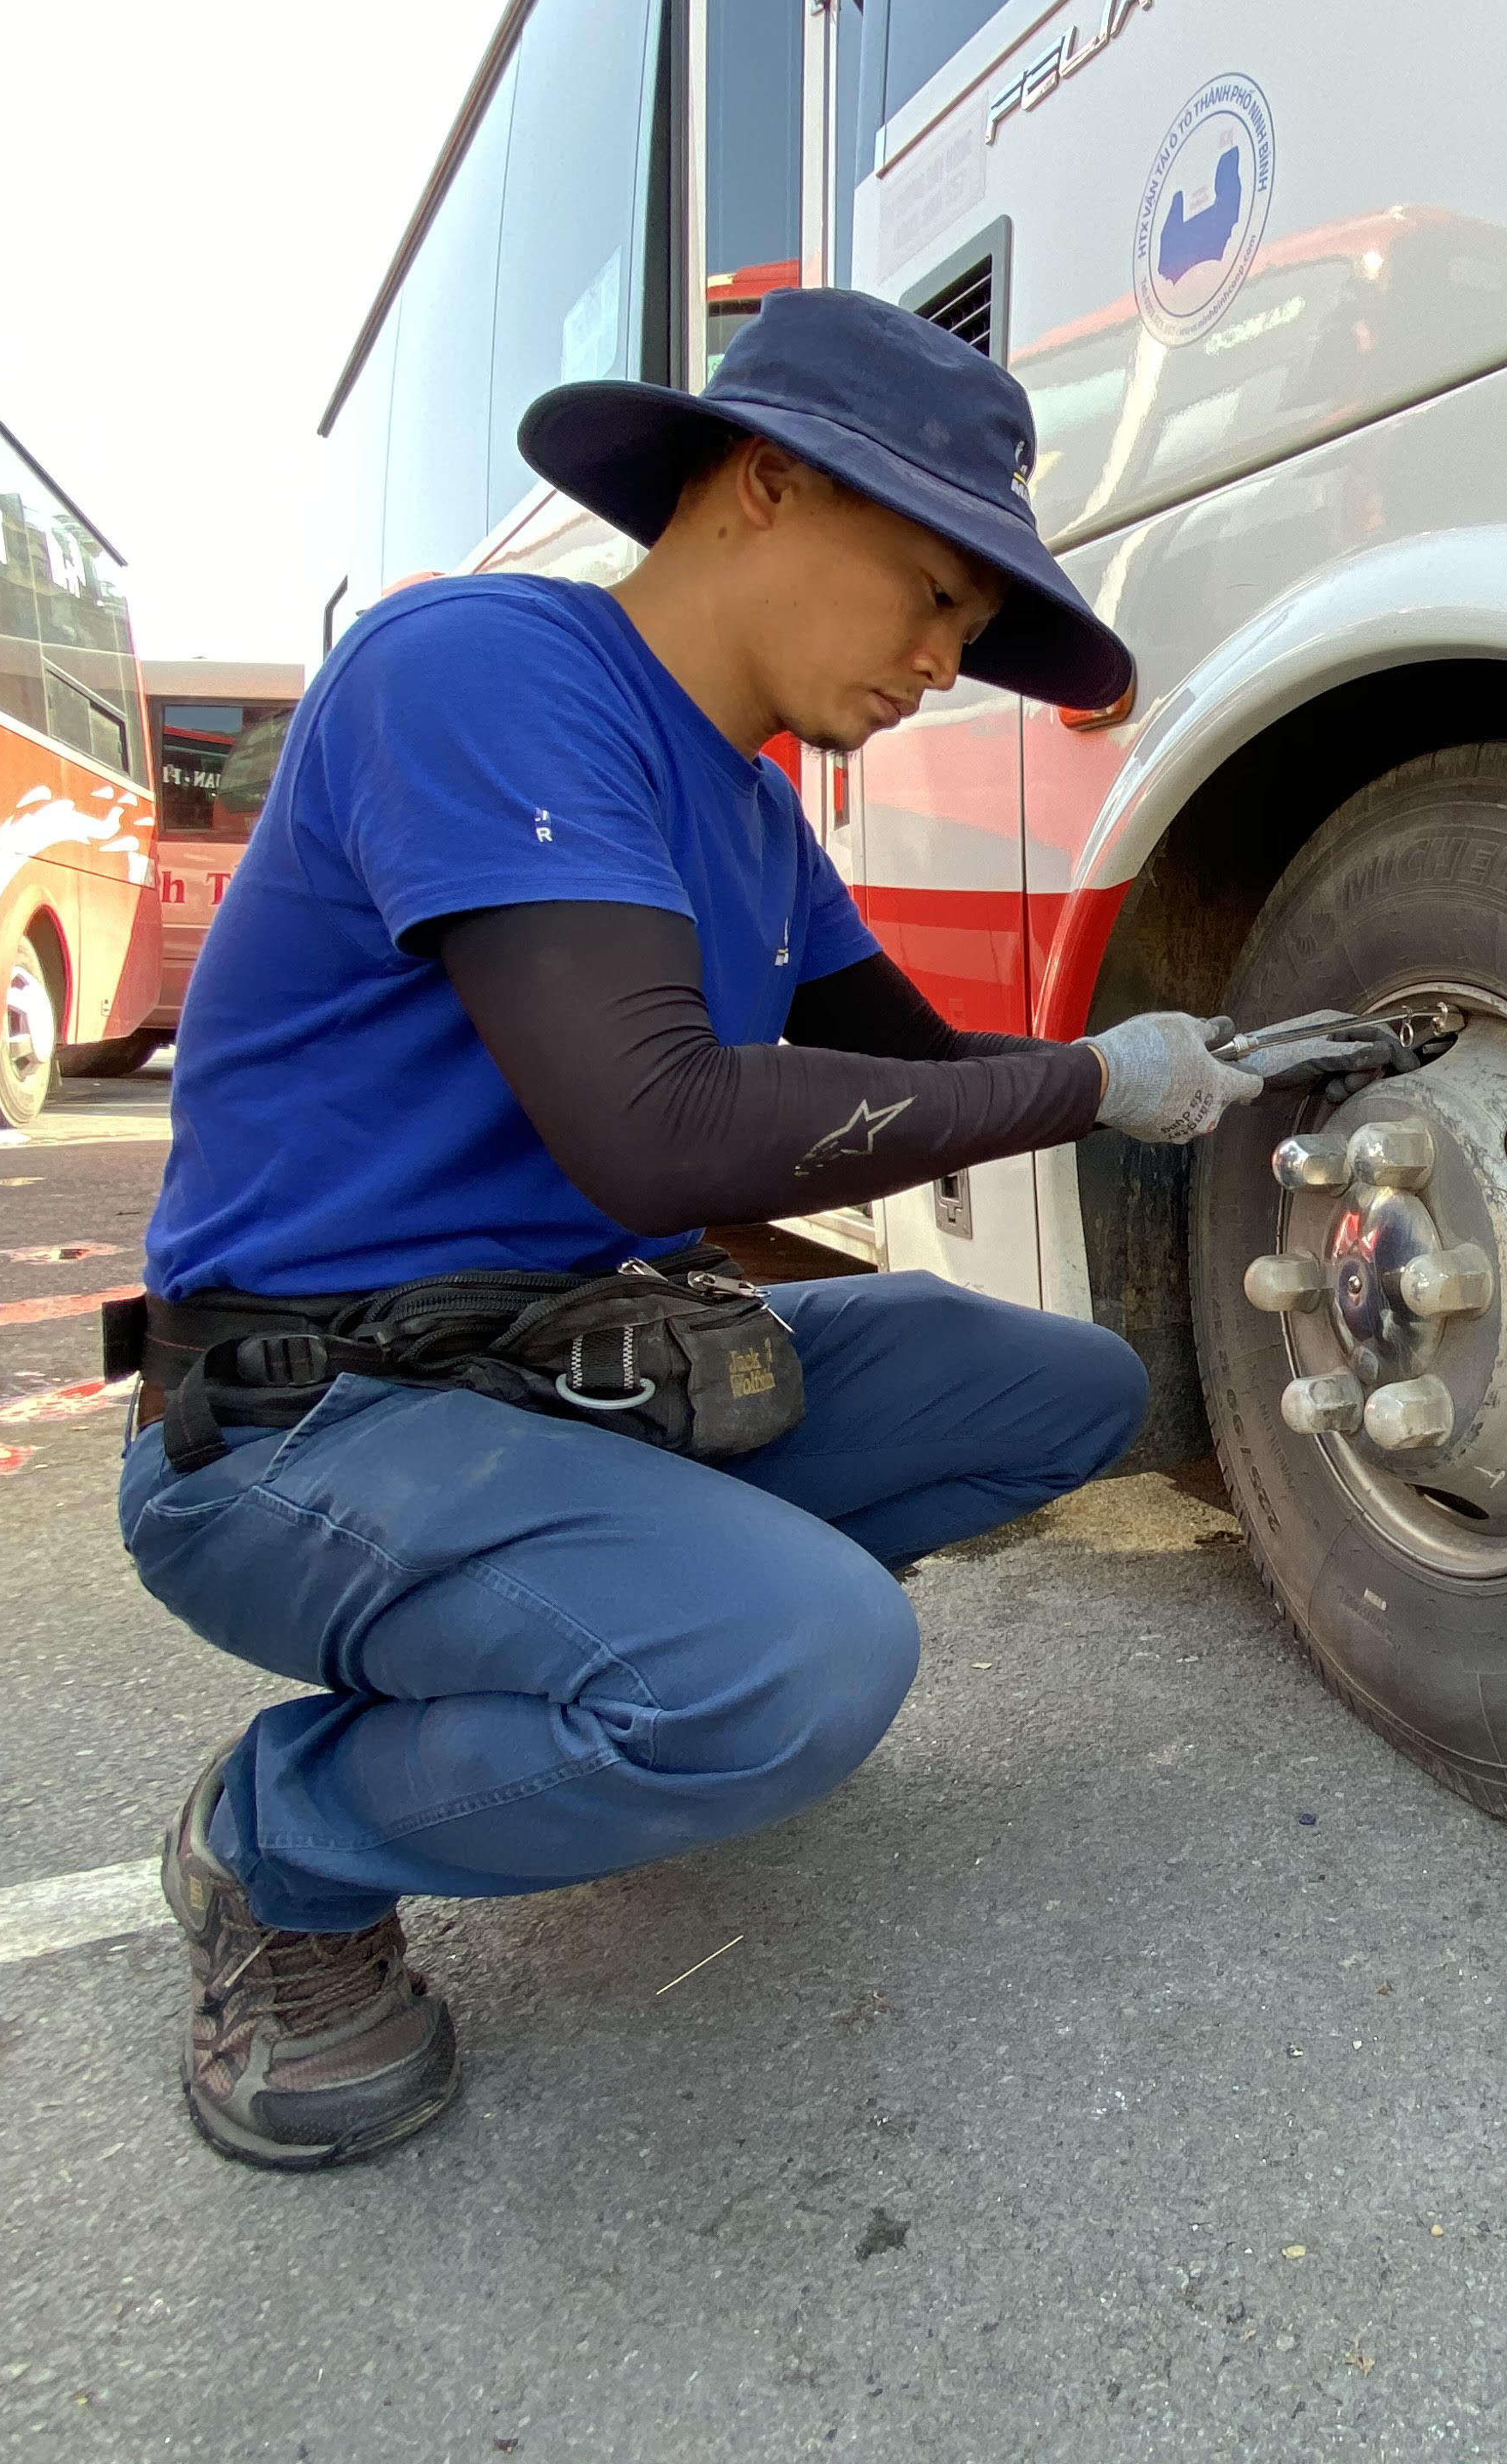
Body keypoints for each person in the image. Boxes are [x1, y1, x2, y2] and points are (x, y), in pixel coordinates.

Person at [118, 290, 1387, 2170]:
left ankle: (640, 1652)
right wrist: (1091, 1082)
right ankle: (287, 1847)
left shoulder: (759, 817)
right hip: (304, 1423)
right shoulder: (475, 669)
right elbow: (659, 1129)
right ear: (764, 487)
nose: (947, 660)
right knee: (801, 1664)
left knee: (1052, 1387)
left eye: (973, 624)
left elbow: (925, 1072)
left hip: (554, 1370)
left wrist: (1227, 1066)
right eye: (935, 592)